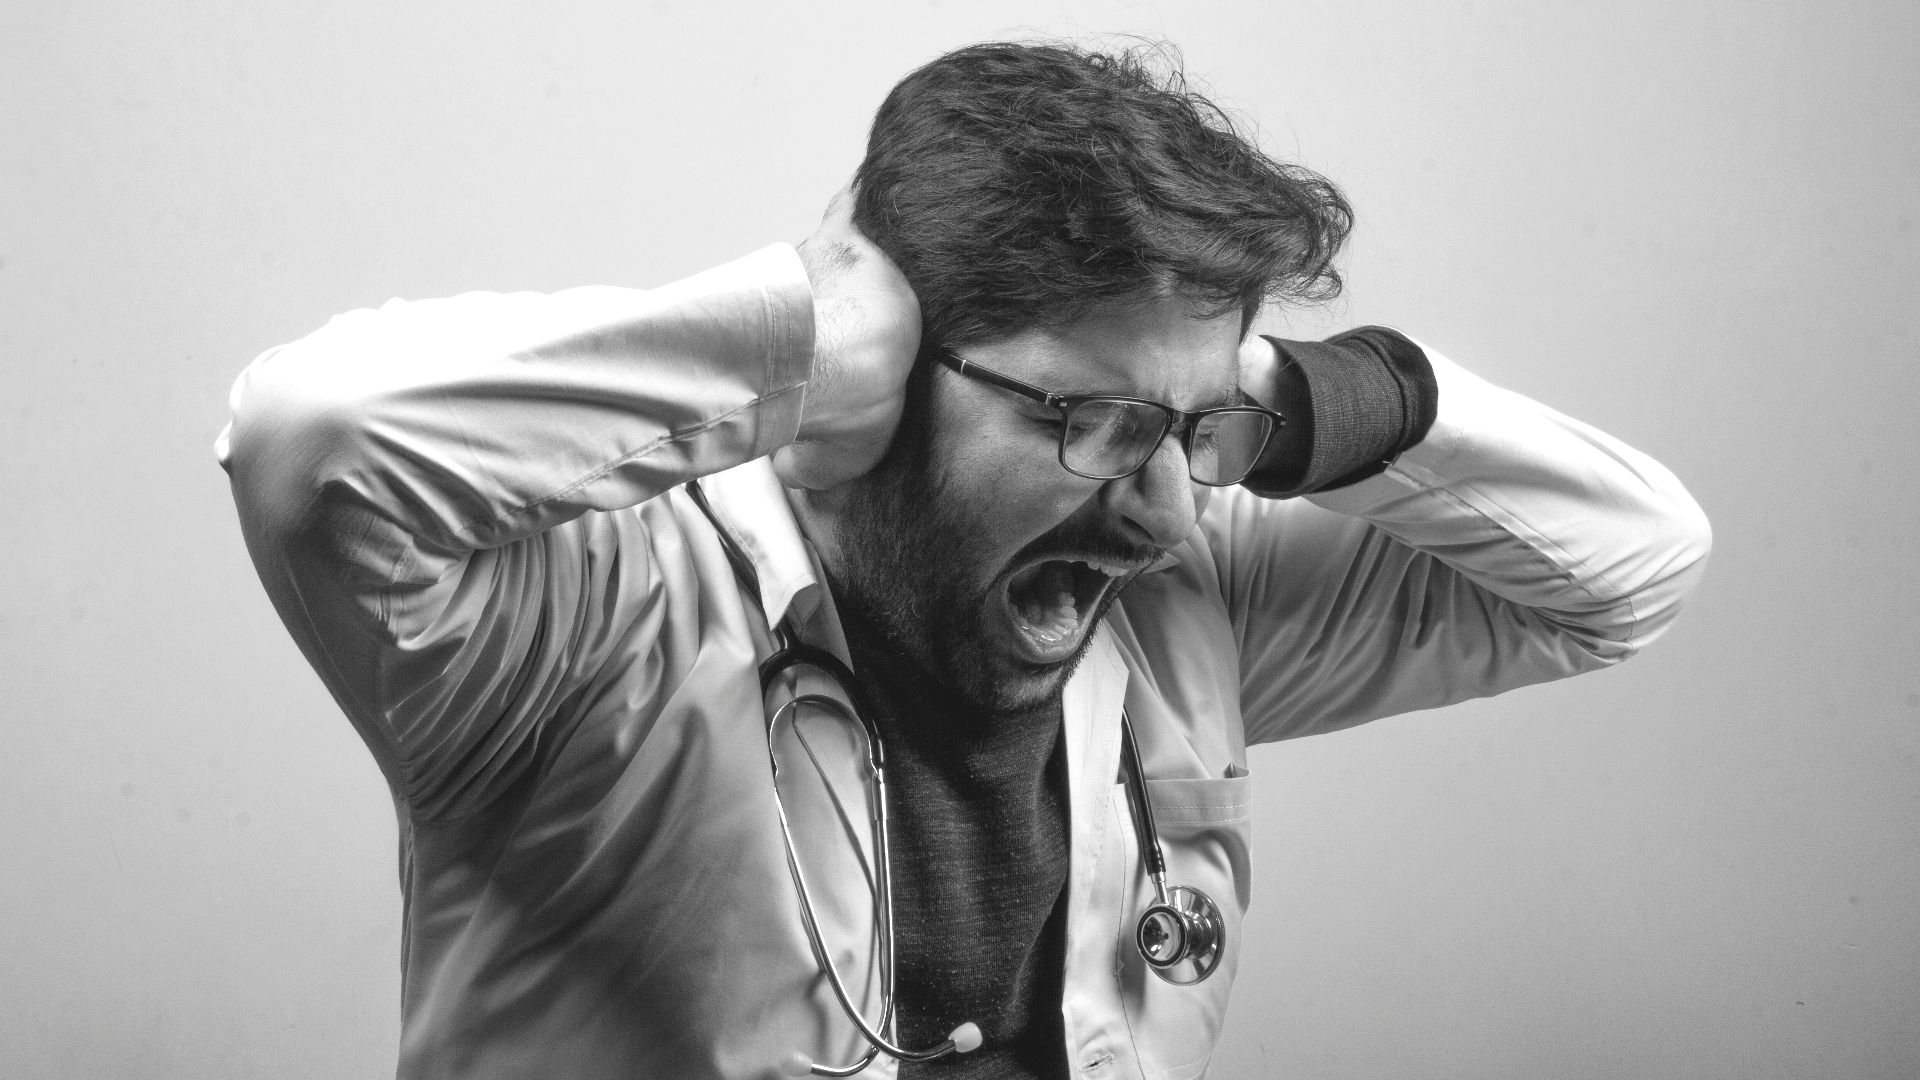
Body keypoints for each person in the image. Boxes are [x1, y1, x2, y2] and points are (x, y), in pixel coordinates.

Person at [218, 40, 1710, 1080]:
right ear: (895, 379)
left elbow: (1632, 567)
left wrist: (1294, 405)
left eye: (1193, 428)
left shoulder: (1181, 602)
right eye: (1095, 418)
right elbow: (311, 436)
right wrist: (810, 334)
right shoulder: (591, 624)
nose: (1168, 515)